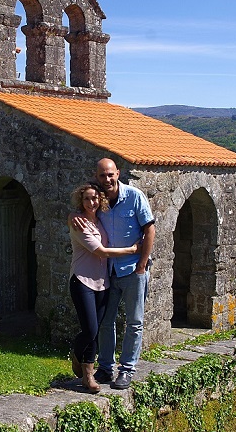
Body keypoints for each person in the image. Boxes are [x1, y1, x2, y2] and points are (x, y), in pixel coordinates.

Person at [75, 157, 155, 390]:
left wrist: (141, 264)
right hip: (108, 272)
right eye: (102, 175)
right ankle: (106, 368)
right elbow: (82, 210)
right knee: (106, 321)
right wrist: (73, 217)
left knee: (134, 322)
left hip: (133, 270)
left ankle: (127, 370)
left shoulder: (134, 196)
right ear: (97, 177)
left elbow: (150, 229)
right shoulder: (99, 200)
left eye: (110, 174)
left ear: (118, 173)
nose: (107, 179)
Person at [67, 182, 139, 393]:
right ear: (81, 201)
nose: (92, 202)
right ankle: (78, 355)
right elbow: (101, 251)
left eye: (95, 198)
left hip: (103, 283)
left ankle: (87, 377)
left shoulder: (101, 221)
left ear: (101, 200)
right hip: (82, 281)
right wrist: (132, 250)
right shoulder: (78, 222)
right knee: (89, 329)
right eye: (88, 198)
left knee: (95, 330)